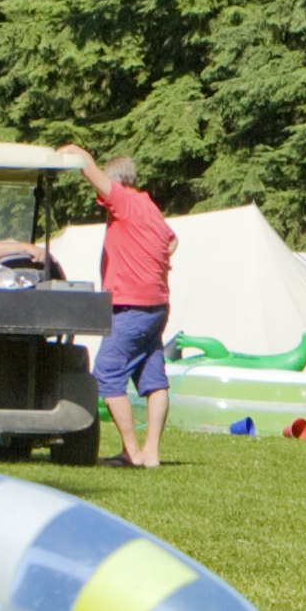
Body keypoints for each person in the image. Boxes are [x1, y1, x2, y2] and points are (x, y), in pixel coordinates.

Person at [91, 150, 176, 469]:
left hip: (132, 307)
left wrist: (73, 153)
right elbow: (171, 241)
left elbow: (89, 170)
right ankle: (151, 452)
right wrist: (154, 266)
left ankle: (132, 451)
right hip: (157, 306)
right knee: (154, 380)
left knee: (107, 374)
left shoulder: (124, 202)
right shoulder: (148, 206)